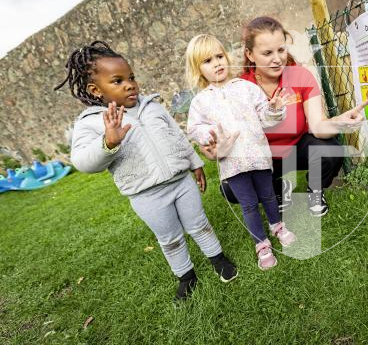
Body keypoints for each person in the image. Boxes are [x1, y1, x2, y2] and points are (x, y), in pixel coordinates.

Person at [55, 41, 237, 301]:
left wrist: (194, 163)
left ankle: (218, 259)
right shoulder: (93, 123)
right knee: (170, 237)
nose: (129, 84)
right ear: (96, 90)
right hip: (146, 195)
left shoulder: (151, 106)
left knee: (199, 224)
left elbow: (176, 135)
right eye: (117, 81)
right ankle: (186, 276)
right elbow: (83, 161)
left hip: (180, 182)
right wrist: (108, 143)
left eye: (131, 77)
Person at [201, 16, 368, 217]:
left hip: (297, 146)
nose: (277, 58)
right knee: (230, 189)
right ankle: (277, 190)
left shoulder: (301, 76)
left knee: (331, 150)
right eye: (267, 53)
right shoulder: (240, 87)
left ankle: (314, 190)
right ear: (250, 54)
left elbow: (317, 127)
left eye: (281, 50)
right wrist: (216, 148)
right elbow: (233, 136)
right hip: (263, 156)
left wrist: (339, 122)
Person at [185, 34, 296, 271]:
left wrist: (274, 109)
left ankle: (277, 225)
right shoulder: (200, 102)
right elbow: (194, 128)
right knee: (248, 205)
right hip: (232, 163)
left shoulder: (247, 88)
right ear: (198, 70)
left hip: (258, 156)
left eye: (219, 56)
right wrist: (209, 135)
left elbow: (266, 117)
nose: (216, 63)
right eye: (207, 61)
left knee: (268, 195)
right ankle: (261, 244)